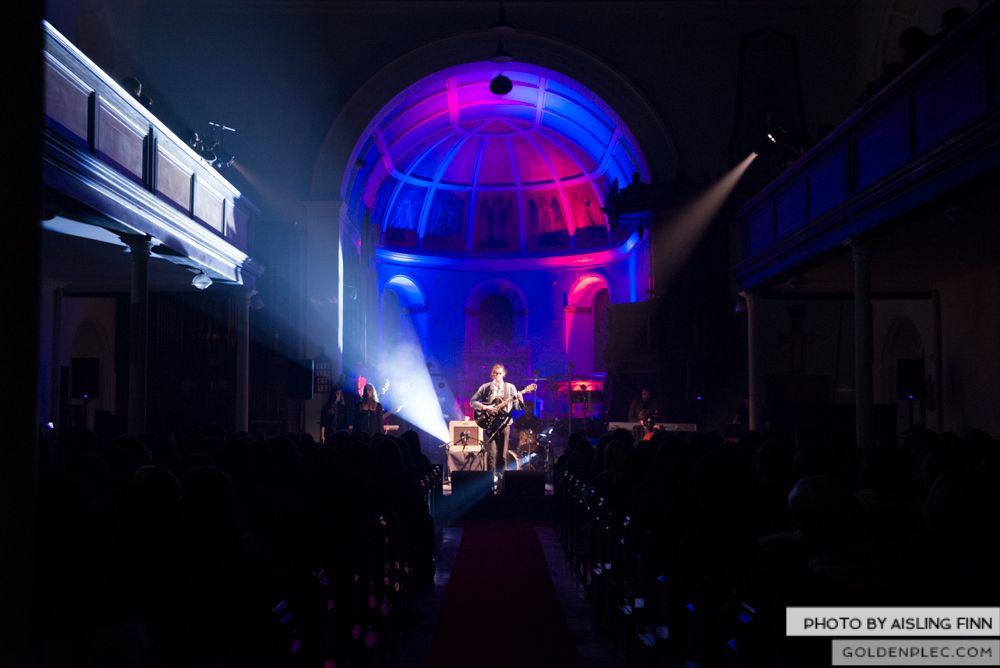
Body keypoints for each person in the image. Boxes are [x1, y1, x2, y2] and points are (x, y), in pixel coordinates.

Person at [470, 364, 523, 480]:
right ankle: (490, 480)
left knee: (502, 455)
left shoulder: (511, 388)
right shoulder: (485, 387)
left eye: (499, 373)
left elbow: (517, 408)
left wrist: (520, 400)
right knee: (491, 455)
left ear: (504, 374)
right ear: (492, 374)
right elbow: (472, 402)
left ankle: (501, 479)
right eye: (495, 373)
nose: (497, 375)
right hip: (490, 424)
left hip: (505, 424)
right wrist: (485, 408)